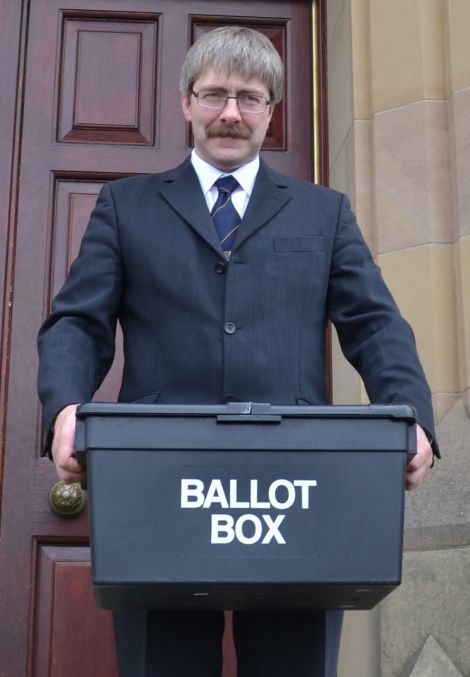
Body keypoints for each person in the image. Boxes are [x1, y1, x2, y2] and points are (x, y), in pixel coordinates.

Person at [38, 25, 438, 677]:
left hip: (298, 492)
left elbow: (376, 324)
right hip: (158, 489)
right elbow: (76, 324)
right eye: (215, 93)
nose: (230, 112)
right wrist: (64, 409)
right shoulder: (125, 206)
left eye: (249, 97)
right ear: (186, 102)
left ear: (272, 111)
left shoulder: (323, 214)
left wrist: (413, 414)